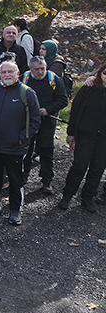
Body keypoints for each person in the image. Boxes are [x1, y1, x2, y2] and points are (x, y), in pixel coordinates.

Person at [0, 62, 41, 225]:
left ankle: (15, 210)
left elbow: (35, 119)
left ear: (17, 73)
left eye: (10, 71)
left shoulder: (27, 93)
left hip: (15, 147)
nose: (7, 74)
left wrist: (22, 138)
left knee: (15, 179)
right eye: (3, 72)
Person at [59, 63, 106, 213]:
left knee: (97, 169)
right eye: (105, 73)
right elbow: (76, 111)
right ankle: (67, 196)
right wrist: (71, 132)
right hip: (85, 136)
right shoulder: (88, 88)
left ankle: (88, 198)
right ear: (100, 73)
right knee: (79, 167)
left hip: (104, 140)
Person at [20, 56, 67, 193]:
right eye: (37, 69)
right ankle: (23, 176)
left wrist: (48, 109)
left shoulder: (54, 80)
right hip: (28, 121)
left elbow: (63, 100)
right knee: (26, 149)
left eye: (42, 68)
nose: (40, 72)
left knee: (46, 151)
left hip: (47, 122)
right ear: (30, 69)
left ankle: (47, 180)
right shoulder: (25, 78)